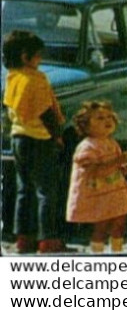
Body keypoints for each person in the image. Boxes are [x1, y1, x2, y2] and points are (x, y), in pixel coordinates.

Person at [3, 30, 67, 254]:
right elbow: (45, 111)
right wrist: (57, 135)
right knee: (46, 191)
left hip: (18, 137)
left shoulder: (12, 77)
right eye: (38, 55)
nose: (41, 59)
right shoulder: (36, 79)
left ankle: (23, 237)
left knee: (24, 190)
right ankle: (47, 239)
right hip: (40, 139)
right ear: (25, 56)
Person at [67, 101, 127, 253]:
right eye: (100, 118)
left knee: (119, 224)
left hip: (115, 191)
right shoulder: (87, 147)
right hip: (99, 194)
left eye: (109, 117)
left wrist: (126, 168)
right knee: (101, 226)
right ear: (86, 125)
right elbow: (94, 171)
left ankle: (116, 253)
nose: (107, 121)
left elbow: (114, 170)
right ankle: (97, 255)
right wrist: (118, 161)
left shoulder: (111, 143)